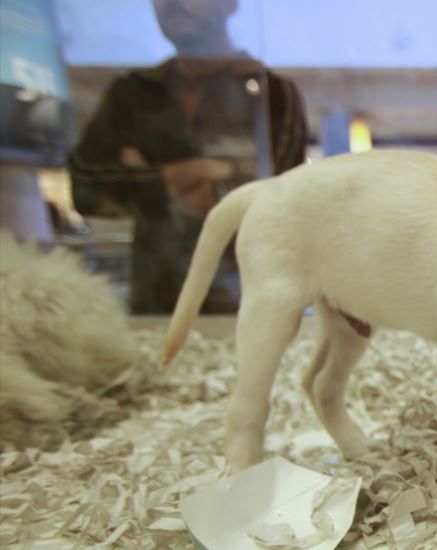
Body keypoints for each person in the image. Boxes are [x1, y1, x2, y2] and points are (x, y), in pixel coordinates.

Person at [68, 0, 307, 314]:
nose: (172, 3)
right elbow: (86, 187)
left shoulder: (272, 94)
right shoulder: (132, 94)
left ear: (230, 4)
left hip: (247, 298)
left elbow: (283, 202)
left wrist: (147, 178)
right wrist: (190, 173)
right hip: (156, 300)